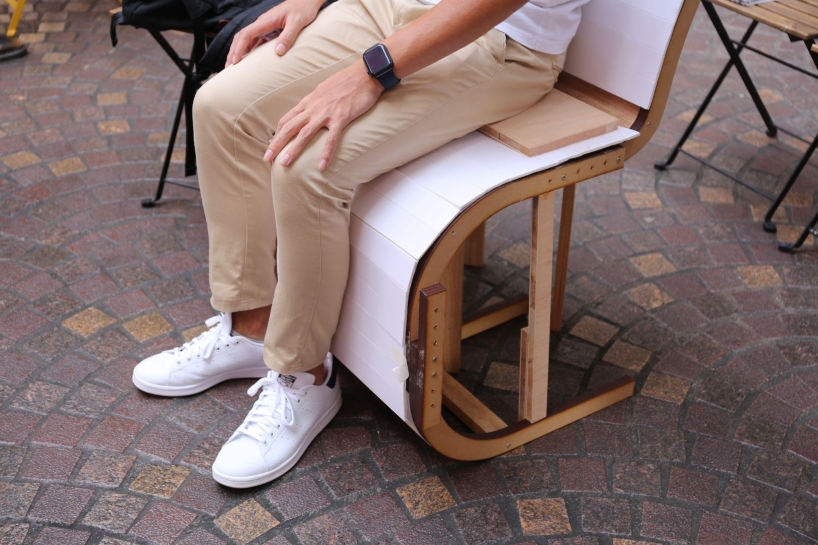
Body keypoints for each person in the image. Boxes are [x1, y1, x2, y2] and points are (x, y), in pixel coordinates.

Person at [133, 0, 589, 488]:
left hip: (498, 34)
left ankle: (305, 376)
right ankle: (251, 327)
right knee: (221, 108)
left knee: (309, 165)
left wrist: (373, 71)